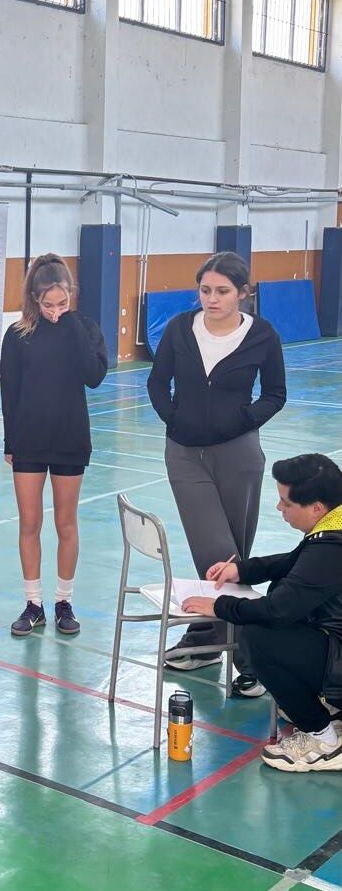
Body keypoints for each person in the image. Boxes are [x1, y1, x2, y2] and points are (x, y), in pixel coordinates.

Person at [147, 251, 286, 696]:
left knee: (235, 560)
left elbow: (276, 394)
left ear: (243, 294)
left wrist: (241, 422)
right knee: (217, 551)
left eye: (222, 291)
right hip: (184, 454)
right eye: (205, 290)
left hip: (240, 453)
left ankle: (209, 637)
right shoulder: (178, 329)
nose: (212, 299)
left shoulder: (262, 335)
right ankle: (254, 656)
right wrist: (174, 419)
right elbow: (156, 381)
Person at [183, 454, 342, 774]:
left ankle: (324, 740)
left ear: (316, 508)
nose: (279, 508)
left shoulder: (332, 546)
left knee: (259, 637)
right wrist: (240, 570)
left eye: (285, 502)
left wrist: (220, 607)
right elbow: (293, 561)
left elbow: (277, 610)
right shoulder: (334, 524)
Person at [0, 254, 108, 637]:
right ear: (34, 298)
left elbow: (93, 376)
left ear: (71, 296)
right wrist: (10, 440)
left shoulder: (85, 327)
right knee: (30, 522)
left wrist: (74, 326)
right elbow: (8, 391)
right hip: (29, 441)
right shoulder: (17, 335)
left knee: (66, 522)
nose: (56, 312)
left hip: (70, 438)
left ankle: (64, 600)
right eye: (48, 305)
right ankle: (33, 603)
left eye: (63, 304)